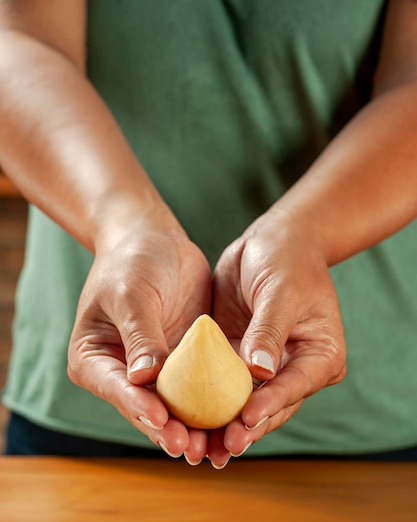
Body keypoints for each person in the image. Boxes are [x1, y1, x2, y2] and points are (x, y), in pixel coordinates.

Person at [0, 0, 416, 468]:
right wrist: (123, 226)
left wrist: (306, 234)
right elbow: (21, 43)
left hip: (372, 416)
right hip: (96, 397)